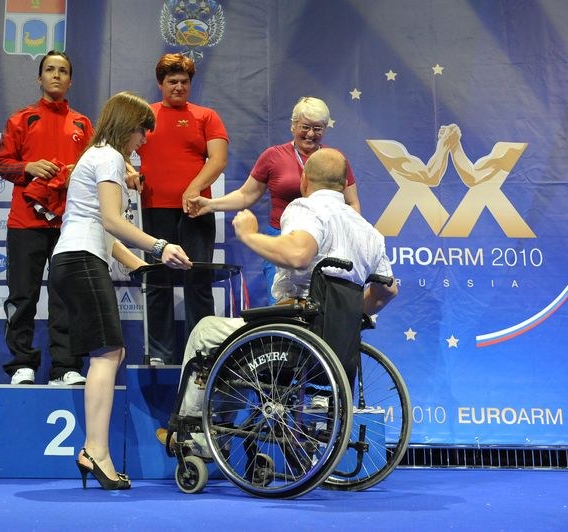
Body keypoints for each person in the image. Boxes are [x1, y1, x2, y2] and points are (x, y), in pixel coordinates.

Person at [170, 148, 397, 450]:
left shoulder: (305, 208)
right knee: (231, 342)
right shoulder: (368, 231)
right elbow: (387, 291)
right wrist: (344, 314)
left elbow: (297, 255)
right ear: (344, 185)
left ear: (304, 180)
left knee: (206, 332)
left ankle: (197, 438)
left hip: (294, 332)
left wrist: (249, 235)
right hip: (336, 345)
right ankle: (219, 431)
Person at [50, 92, 193, 490]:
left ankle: (94, 450)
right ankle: (95, 452)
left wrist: (142, 266)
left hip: (75, 258)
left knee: (111, 352)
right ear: (128, 126)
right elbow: (112, 221)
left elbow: (100, 227)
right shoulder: (110, 157)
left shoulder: (96, 155)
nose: (144, 139)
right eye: (142, 130)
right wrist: (161, 246)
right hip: (80, 260)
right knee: (107, 353)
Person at [187, 97, 360, 304]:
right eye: (305, 127)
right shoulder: (274, 156)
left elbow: (351, 203)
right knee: (281, 306)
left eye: (318, 128)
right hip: (282, 238)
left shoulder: (335, 159)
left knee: (325, 306)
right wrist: (210, 205)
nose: (311, 134)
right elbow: (246, 195)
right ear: (293, 125)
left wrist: (349, 235)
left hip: (326, 242)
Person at [0, 50, 94, 386]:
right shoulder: (21, 120)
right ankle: (22, 363)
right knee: (23, 296)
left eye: (63, 71)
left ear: (70, 80)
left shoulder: (83, 124)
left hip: (70, 224)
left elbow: (92, 167)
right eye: (49, 70)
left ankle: (64, 367)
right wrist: (28, 167)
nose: (56, 75)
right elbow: (1, 164)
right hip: (26, 223)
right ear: (40, 78)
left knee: (67, 297)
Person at [134, 53, 229, 366]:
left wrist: (193, 187)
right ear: (161, 83)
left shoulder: (206, 116)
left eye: (184, 82)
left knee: (197, 282)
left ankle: (201, 354)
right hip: (154, 209)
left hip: (196, 212)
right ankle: (159, 354)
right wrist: (127, 172)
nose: (178, 86)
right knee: (158, 282)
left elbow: (218, 160)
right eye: (172, 81)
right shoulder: (144, 114)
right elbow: (116, 148)